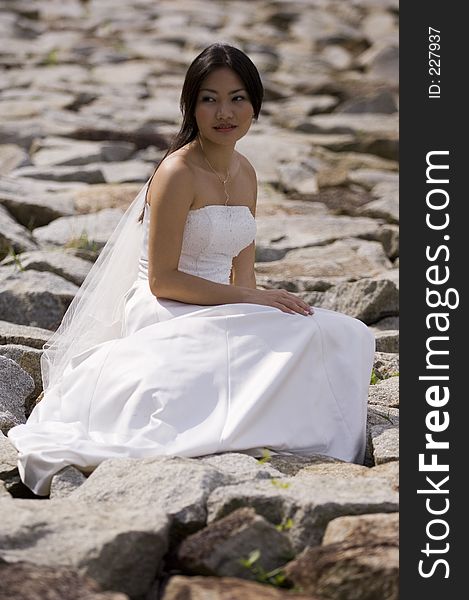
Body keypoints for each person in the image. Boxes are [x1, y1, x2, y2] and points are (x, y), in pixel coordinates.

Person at [7, 43, 375, 496]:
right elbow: (163, 278)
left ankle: (297, 433)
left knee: (341, 332)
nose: (225, 111)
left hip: (219, 301)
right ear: (192, 106)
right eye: (210, 98)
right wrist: (252, 302)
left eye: (238, 98)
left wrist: (263, 311)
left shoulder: (246, 172)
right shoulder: (176, 172)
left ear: (255, 106)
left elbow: (244, 272)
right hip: (164, 304)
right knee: (236, 356)